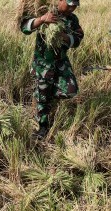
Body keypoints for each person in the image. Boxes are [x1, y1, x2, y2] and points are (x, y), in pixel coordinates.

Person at [20, 0, 84, 139]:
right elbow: (24, 27)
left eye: (74, 6)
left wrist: (65, 37)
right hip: (44, 63)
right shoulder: (45, 10)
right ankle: (42, 127)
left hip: (61, 61)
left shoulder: (72, 19)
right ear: (60, 1)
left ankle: (46, 101)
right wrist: (42, 19)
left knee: (70, 90)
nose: (72, 8)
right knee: (43, 95)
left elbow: (79, 37)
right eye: (69, 4)